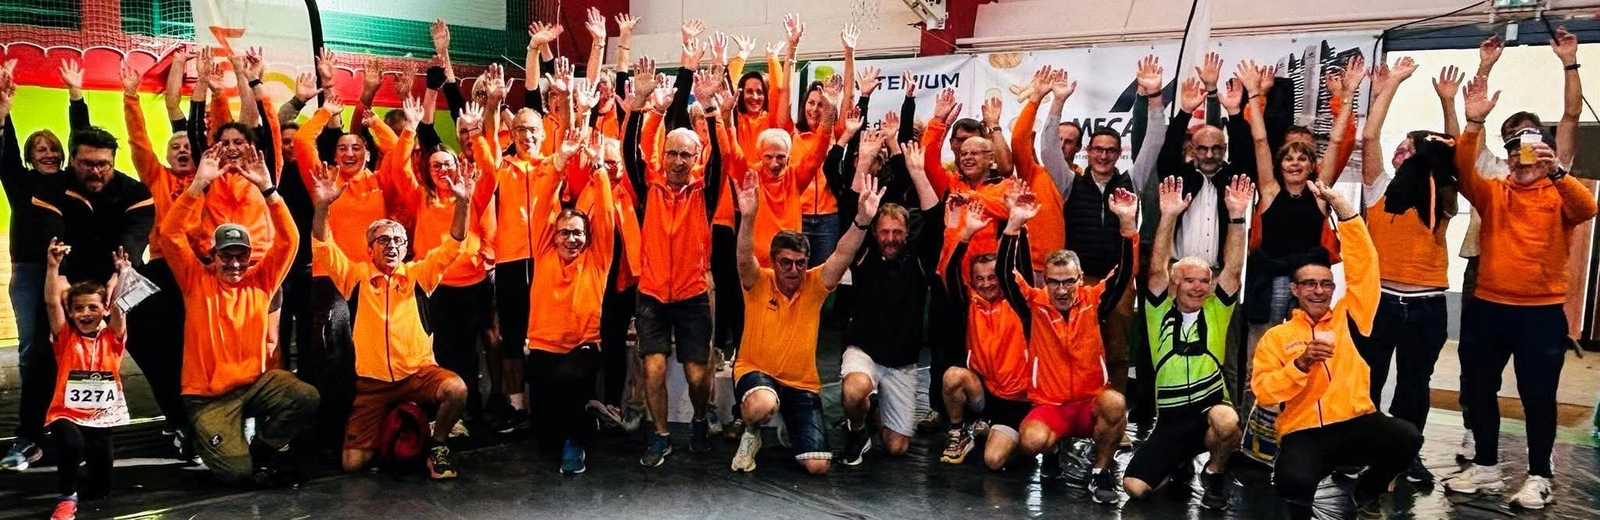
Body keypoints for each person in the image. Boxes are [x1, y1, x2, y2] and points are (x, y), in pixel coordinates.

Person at [1442, 72, 1597, 508]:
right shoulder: (1493, 193)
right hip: (1489, 308)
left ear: (1544, 155)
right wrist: (1473, 123)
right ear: (1508, 158)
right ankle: (1487, 467)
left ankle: (1539, 476)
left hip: (1540, 314)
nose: (1521, 158)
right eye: (1514, 151)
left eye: (1530, 151)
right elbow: (1463, 170)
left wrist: (1557, 171)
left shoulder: (1558, 193)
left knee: (1538, 397)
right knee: (1479, 389)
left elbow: (1588, 208)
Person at [1251, 181, 1422, 519]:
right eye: (1309, 284)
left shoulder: (1352, 317)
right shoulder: (1277, 337)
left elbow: (1365, 266)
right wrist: (1300, 364)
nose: (1319, 291)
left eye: (1326, 284)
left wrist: (1344, 211)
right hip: (1304, 431)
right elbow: (1264, 392)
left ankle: (1367, 491)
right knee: (1293, 482)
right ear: (1295, 289)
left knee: (1407, 437)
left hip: (1355, 422)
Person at [310, 144, 474, 479]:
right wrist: (323, 206)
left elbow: (454, 243)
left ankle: (438, 443)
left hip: (417, 375)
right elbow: (323, 245)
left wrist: (463, 202)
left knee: (456, 389)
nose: (393, 246)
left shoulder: (418, 275)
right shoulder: (355, 276)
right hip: (372, 385)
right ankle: (398, 419)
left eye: (399, 241)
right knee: (353, 465)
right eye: (384, 240)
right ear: (369, 249)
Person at [160, 148, 317, 484]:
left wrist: (269, 191)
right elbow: (169, 234)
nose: (234, 263)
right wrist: (197, 185)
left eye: (240, 256)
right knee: (236, 472)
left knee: (305, 397)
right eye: (226, 256)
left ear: (249, 256)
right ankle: (202, 433)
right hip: (207, 397)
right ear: (213, 255)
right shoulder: (194, 279)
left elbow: (290, 240)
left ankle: (263, 448)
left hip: (254, 385)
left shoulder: (261, 280)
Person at [727, 167, 883, 475]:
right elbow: (744, 256)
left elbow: (842, 254)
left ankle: (790, 422)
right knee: (762, 404)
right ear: (774, 261)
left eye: (800, 263)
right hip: (756, 373)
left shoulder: (815, 285)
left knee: (818, 466)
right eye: (786, 262)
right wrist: (748, 216)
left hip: (800, 384)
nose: (793, 270)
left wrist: (862, 220)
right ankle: (751, 432)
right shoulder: (757, 281)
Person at [1355, 56, 1458, 486]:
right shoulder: (1380, 189)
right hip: (1380, 300)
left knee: (1415, 384)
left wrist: (1448, 104)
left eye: (1410, 149)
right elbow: (1370, 135)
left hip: (1427, 304)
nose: (1401, 152)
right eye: (1399, 147)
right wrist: (1393, 83)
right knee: (1369, 378)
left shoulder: (1442, 196)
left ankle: (1405, 453)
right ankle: (1365, 449)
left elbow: (1455, 150)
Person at [1005, 186, 1139, 503]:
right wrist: (1013, 226)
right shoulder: (1033, 306)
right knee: (1031, 441)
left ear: (1080, 279)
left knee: (1115, 403)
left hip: (1089, 402)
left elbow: (1123, 275)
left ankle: (1100, 470)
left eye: (1068, 281)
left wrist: (1127, 224)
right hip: (1050, 406)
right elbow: (1007, 275)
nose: (1062, 290)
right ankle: (1051, 452)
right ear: (1045, 281)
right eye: (1054, 282)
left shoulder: (1094, 301)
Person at [1122, 175, 1249, 510]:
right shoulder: (1158, 311)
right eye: (1189, 280)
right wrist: (1168, 216)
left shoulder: (1217, 309)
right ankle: (1179, 459)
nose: (1198, 287)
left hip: (1210, 410)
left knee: (1228, 422)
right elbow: (1156, 270)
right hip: (1171, 420)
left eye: (1204, 280)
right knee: (1135, 488)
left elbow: (1233, 269)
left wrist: (1237, 216)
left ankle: (1214, 472)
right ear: (1174, 283)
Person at [624, 70, 726, 465]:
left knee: (698, 375)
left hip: (692, 294)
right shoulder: (647, 187)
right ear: (663, 155)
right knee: (652, 368)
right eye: (672, 153)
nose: (679, 161)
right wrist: (643, 106)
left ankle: (700, 418)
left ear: (696, 158)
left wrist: (710, 109)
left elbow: (722, 158)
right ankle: (661, 435)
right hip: (651, 294)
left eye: (687, 155)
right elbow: (630, 149)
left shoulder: (706, 191)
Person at [292, 71, 397, 450]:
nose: (349, 153)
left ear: (367, 153)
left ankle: (370, 425)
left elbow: (398, 151)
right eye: (342, 148)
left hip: (370, 281)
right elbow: (302, 139)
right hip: (331, 280)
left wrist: (374, 123)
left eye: (356, 148)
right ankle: (332, 432)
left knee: (369, 355)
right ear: (334, 154)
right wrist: (325, 112)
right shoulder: (323, 179)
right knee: (332, 356)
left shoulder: (380, 181)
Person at [835, 132, 943, 465]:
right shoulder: (864, 255)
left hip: (901, 363)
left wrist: (917, 172)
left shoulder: (920, 262)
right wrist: (864, 162)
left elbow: (935, 221)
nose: (891, 238)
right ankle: (857, 428)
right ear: (875, 233)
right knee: (854, 390)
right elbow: (850, 209)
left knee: (897, 448)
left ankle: (874, 410)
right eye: (884, 232)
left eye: (897, 232)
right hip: (864, 352)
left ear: (907, 234)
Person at [0, 58, 87, 471]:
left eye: (53, 148)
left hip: (68, 273)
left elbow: (81, 138)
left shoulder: (71, 180)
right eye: (41, 149)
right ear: (30, 156)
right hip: (31, 273)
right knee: (33, 349)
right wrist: (4, 109)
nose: (49, 153)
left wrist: (76, 96)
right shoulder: (19, 181)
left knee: (71, 346)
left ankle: (70, 419)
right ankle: (32, 430)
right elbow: (4, 153)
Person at [523, 127, 617, 475]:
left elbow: (605, 217)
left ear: (587, 236)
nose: (571, 239)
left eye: (578, 233)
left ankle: (577, 441)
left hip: (583, 347)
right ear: (554, 235)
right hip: (543, 347)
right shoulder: (544, 251)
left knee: (567, 381)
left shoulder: (597, 258)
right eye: (564, 232)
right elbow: (542, 204)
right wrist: (560, 162)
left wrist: (600, 170)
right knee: (545, 438)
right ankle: (588, 418)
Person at [1240, 59, 1359, 325]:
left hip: (1308, 280)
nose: (1295, 163)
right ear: (1280, 164)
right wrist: (1254, 93)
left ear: (1312, 165)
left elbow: (1337, 141)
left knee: (1307, 339)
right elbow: (1259, 140)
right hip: (1271, 279)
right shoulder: (1270, 190)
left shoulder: (1318, 192)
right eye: (1289, 158)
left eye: (1302, 158)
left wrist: (1347, 95)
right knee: (1267, 339)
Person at [937, 195, 1031, 471]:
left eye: (992, 277)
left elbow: (1022, 268)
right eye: (979, 278)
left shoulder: (1018, 302)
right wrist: (965, 233)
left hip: (1016, 402)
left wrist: (1019, 225)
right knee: (952, 376)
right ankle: (959, 432)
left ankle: (1014, 438)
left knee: (993, 460)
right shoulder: (970, 302)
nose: (986, 284)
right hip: (985, 393)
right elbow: (949, 272)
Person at [40, 240, 130, 520]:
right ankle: (66, 498)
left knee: (102, 489)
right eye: (78, 308)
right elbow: (51, 302)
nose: (85, 313)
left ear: (104, 309)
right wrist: (52, 267)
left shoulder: (113, 337)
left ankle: (84, 485)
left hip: (101, 416)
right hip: (65, 412)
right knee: (72, 444)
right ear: (70, 313)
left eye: (92, 307)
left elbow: (120, 306)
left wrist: (122, 275)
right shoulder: (65, 336)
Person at [1155, 53, 1256, 268]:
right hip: (1177, 272)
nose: (1209, 155)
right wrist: (1185, 112)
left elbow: (1245, 153)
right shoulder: (1178, 180)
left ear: (1225, 149)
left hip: (1219, 275)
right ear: (1192, 149)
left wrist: (1235, 113)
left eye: (1216, 148)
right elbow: (1168, 151)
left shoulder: (1234, 181)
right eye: (1202, 149)